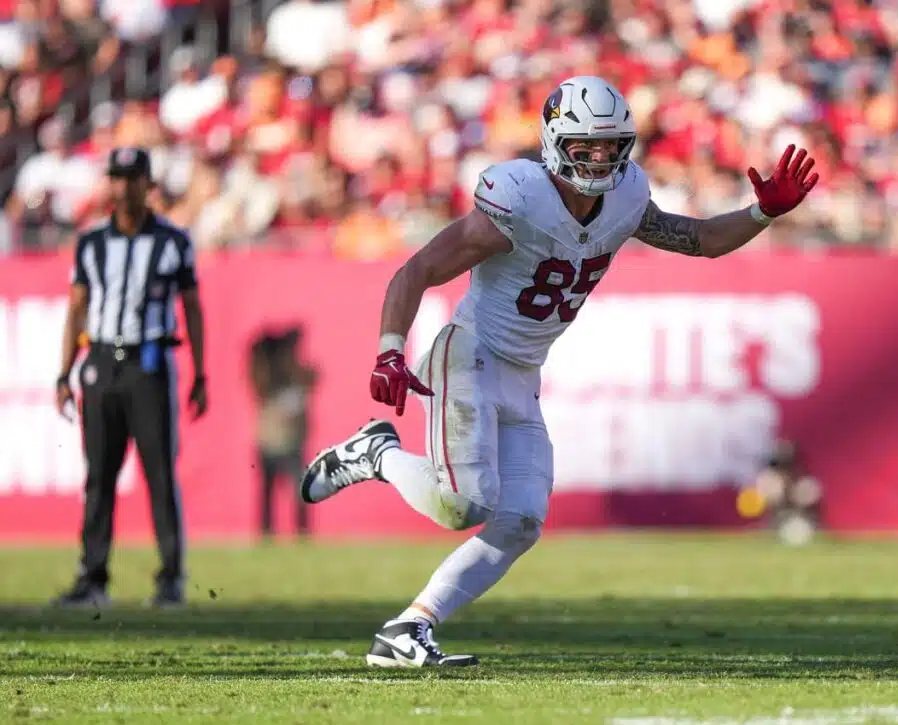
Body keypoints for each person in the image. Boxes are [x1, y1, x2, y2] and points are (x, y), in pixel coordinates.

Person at [299, 76, 819, 666]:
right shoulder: (519, 198)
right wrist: (390, 349)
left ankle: (410, 627)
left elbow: (698, 238)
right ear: (554, 142)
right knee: (464, 505)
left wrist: (761, 212)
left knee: (520, 522)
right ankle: (376, 454)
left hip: (524, 373)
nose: (598, 158)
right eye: (585, 146)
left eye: (610, 145)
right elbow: (416, 269)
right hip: (470, 354)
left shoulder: (625, 198)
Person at [52, 146, 209, 608]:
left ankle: (171, 579)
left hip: (150, 364)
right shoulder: (91, 242)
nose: (123, 188)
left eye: (132, 178)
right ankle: (92, 578)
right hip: (101, 362)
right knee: (99, 476)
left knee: (159, 473)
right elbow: (76, 308)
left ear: (147, 184)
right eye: (117, 178)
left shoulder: (173, 241)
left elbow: (192, 308)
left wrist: (200, 373)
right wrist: (64, 373)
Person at [248, 326, 319, 540]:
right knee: (268, 494)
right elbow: (260, 385)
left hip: (292, 442)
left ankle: (302, 533)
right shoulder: (266, 376)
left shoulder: (296, 374)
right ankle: (266, 533)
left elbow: (313, 377)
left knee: (300, 490)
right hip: (270, 441)